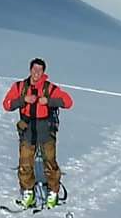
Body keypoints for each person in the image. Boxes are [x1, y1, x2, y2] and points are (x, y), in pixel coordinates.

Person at [4, 57, 73, 208]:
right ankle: (28, 193)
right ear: (30, 70)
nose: (36, 72)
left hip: (45, 130)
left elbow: (68, 102)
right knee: (25, 164)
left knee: (50, 163)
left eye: (40, 70)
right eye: (34, 69)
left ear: (43, 72)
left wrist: (49, 101)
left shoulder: (50, 88)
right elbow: (7, 105)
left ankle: (53, 193)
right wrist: (23, 100)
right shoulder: (20, 86)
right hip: (28, 129)